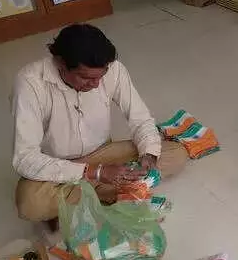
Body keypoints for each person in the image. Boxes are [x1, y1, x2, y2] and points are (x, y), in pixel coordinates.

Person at [12, 24, 189, 222]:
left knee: (176, 154)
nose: (96, 84)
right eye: (86, 78)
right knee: (30, 205)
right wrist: (93, 172)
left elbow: (140, 119)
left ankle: (90, 194)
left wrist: (148, 155)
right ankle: (112, 191)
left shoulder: (114, 69)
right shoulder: (30, 82)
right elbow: (25, 158)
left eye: (101, 77)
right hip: (61, 164)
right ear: (61, 63)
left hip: (104, 155)